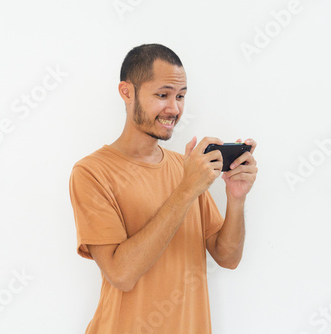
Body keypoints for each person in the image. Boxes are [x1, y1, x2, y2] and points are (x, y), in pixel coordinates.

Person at [69, 43, 258, 333]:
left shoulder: (185, 169)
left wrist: (236, 198)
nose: (175, 108)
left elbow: (227, 257)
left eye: (181, 96)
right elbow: (121, 274)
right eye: (162, 95)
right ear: (126, 92)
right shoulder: (91, 173)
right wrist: (186, 189)